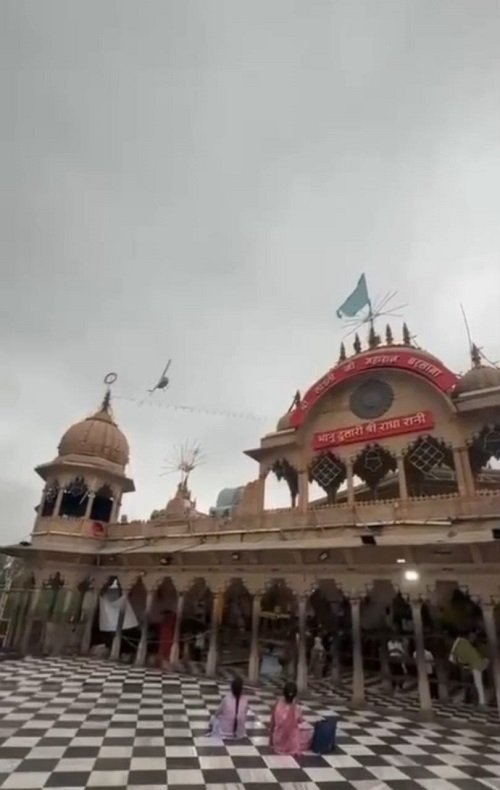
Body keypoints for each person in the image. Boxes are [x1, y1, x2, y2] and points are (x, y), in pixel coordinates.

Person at [269, 681, 313, 755]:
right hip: (291, 742)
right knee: (310, 732)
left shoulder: (277, 704)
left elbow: (272, 723)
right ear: (295, 694)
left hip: (278, 741)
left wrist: (271, 738)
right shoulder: (296, 707)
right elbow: (300, 721)